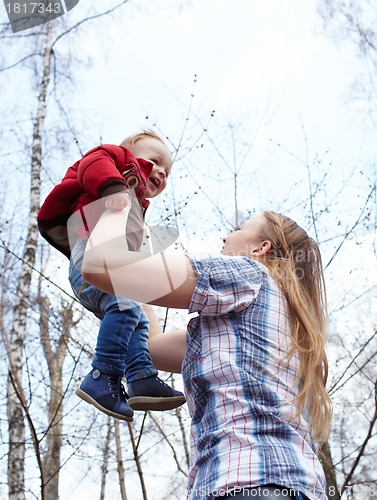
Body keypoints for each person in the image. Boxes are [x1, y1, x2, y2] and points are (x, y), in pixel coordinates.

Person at [81, 206, 332, 499]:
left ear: (261, 248)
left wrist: (115, 205)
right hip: (284, 484)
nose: (226, 237)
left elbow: (101, 267)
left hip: (250, 482)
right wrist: (134, 271)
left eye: (239, 229)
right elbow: (150, 348)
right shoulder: (271, 319)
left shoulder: (250, 273)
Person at [37, 130, 185, 423]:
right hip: (89, 261)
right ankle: (101, 374)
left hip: (109, 269)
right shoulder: (117, 162)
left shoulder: (135, 206)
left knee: (137, 318)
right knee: (127, 308)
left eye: (167, 172)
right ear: (129, 150)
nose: (160, 172)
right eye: (154, 161)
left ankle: (141, 375)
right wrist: (113, 185)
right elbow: (94, 163)